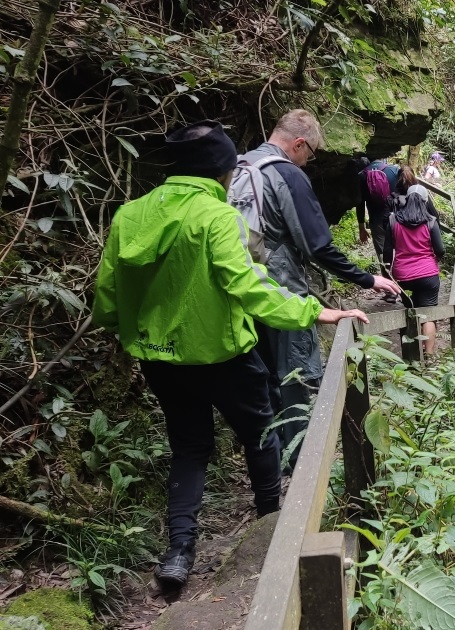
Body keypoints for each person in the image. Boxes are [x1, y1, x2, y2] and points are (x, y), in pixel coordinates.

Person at [92, 120, 369, 590]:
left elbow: (107, 295)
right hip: (223, 353)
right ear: (223, 172)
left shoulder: (130, 215)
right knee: (261, 435)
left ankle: (179, 553)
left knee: (190, 447)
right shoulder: (217, 217)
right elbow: (249, 286)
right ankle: (270, 524)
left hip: (160, 359)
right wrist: (314, 312)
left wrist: (129, 329)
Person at [240, 110, 400, 471]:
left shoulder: (240, 165)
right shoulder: (286, 174)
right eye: (310, 153)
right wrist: (367, 278)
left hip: (238, 284)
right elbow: (317, 246)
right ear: (298, 144)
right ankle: (302, 464)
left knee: (262, 371)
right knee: (296, 371)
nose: (309, 161)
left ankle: (268, 457)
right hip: (281, 286)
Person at [385, 165, 444, 356]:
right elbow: (440, 249)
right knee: (428, 314)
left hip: (403, 276)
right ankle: (428, 355)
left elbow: (387, 253)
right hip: (428, 273)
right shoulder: (430, 222)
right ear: (425, 200)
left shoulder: (393, 221)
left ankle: (412, 355)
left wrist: (387, 273)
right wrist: (435, 261)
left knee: (410, 311)